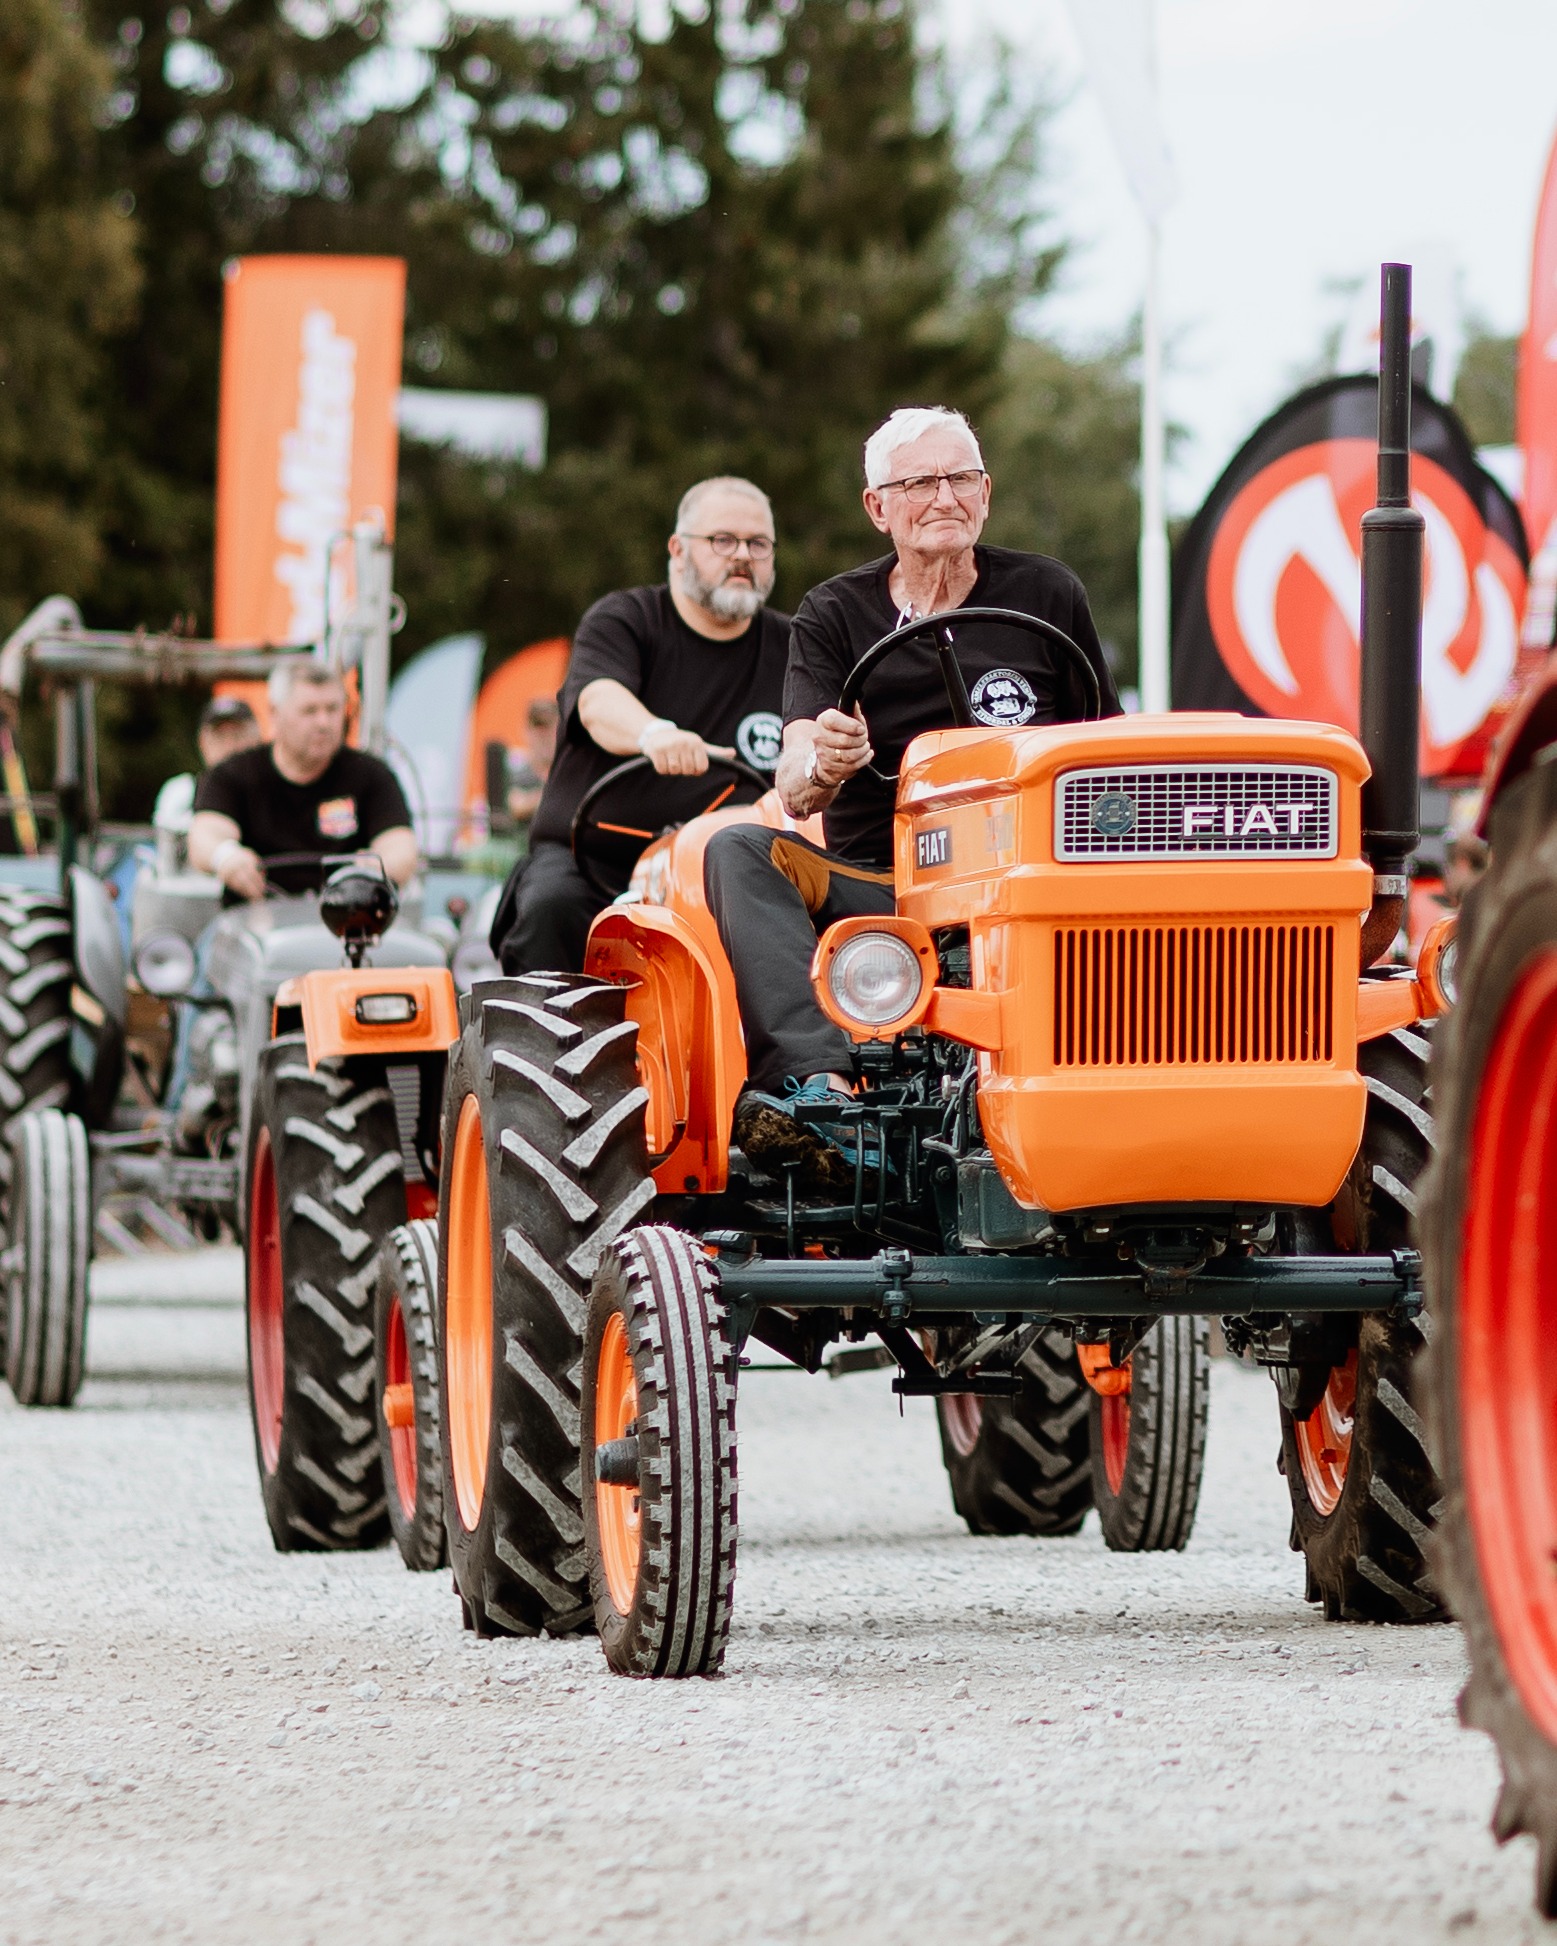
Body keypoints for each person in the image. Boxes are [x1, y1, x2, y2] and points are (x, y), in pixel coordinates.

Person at [703, 404, 1120, 1183]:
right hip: (886, 881)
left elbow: (1107, 747)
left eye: (961, 478)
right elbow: (793, 779)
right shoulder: (834, 612)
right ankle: (817, 1089)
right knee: (737, 847)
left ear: (986, 493)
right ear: (877, 507)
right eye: (920, 482)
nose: (944, 498)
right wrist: (824, 759)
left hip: (1034, 876)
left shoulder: (1047, 592)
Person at [491, 476, 790, 974]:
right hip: (594, 866)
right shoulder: (624, 620)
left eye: (757, 543)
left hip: (729, 874)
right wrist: (654, 734)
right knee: (550, 908)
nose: (742, 555)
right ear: (677, 548)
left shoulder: (793, 645)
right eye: (722, 540)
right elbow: (597, 701)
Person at [188, 661, 417, 899]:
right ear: (275, 714)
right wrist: (225, 856)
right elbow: (204, 836)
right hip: (256, 920)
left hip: (348, 923)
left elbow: (401, 849)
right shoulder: (233, 774)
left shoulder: (372, 775)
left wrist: (377, 867)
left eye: (332, 709)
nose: (323, 723)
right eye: (309, 711)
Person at [152, 695, 263, 874]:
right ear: (203, 743)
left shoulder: (273, 793)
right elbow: (167, 870)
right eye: (219, 736)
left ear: (257, 738)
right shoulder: (181, 793)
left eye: (237, 735)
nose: (229, 746)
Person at [505, 695, 560, 836]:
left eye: (551, 726)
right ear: (526, 731)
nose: (545, 734)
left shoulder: (567, 770)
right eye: (539, 725)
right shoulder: (515, 768)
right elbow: (515, 805)